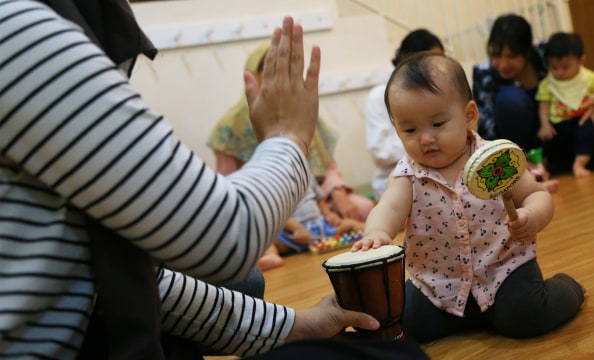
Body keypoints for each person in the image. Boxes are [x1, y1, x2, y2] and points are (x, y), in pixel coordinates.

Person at [0, 1, 387, 358]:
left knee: (245, 283)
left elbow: (144, 278)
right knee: (244, 278)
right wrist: (289, 138)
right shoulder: (15, 31)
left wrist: (296, 326)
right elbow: (226, 236)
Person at [351, 53, 585, 343]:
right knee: (402, 323)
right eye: (409, 129)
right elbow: (387, 207)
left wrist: (533, 216)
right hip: (438, 286)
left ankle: (567, 288)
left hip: (504, 272)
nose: (425, 138)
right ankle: (459, 318)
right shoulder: (406, 175)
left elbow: (537, 193)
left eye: (437, 124)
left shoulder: (495, 159)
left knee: (526, 314)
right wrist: (377, 233)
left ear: (469, 116)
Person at [209, 43, 375, 222]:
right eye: (269, 67)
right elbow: (230, 186)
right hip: (265, 205)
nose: (278, 75)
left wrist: (337, 192)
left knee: (363, 208)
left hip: (315, 199)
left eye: (284, 68)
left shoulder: (301, 112)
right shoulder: (230, 126)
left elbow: (328, 168)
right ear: (252, 74)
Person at [473, 14, 594, 184]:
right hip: (523, 144)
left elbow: (580, 80)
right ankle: (529, 164)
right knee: (510, 99)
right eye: (496, 55)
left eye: (511, 56)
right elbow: (487, 128)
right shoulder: (484, 72)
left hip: (565, 130)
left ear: (527, 51)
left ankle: (552, 164)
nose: (502, 64)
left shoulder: (548, 53)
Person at [365, 28, 444, 200]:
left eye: (441, 62)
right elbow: (380, 152)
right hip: (397, 178)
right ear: (407, 62)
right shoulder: (379, 95)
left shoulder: (443, 93)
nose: (438, 69)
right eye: (430, 63)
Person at [536, 32, 594, 178]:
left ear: (581, 61)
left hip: (581, 119)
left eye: (565, 67)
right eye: (554, 67)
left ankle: (579, 164)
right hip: (557, 124)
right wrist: (544, 125)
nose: (559, 72)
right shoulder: (548, 83)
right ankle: (542, 169)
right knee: (544, 141)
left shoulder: (589, 77)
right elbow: (543, 106)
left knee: (587, 134)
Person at [258, 177, 365, 270]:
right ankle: (271, 256)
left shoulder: (308, 176)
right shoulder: (270, 182)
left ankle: (373, 233)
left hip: (321, 226)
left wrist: (328, 214)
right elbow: (277, 213)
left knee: (349, 224)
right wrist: (297, 228)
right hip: (291, 234)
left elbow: (319, 199)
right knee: (268, 240)